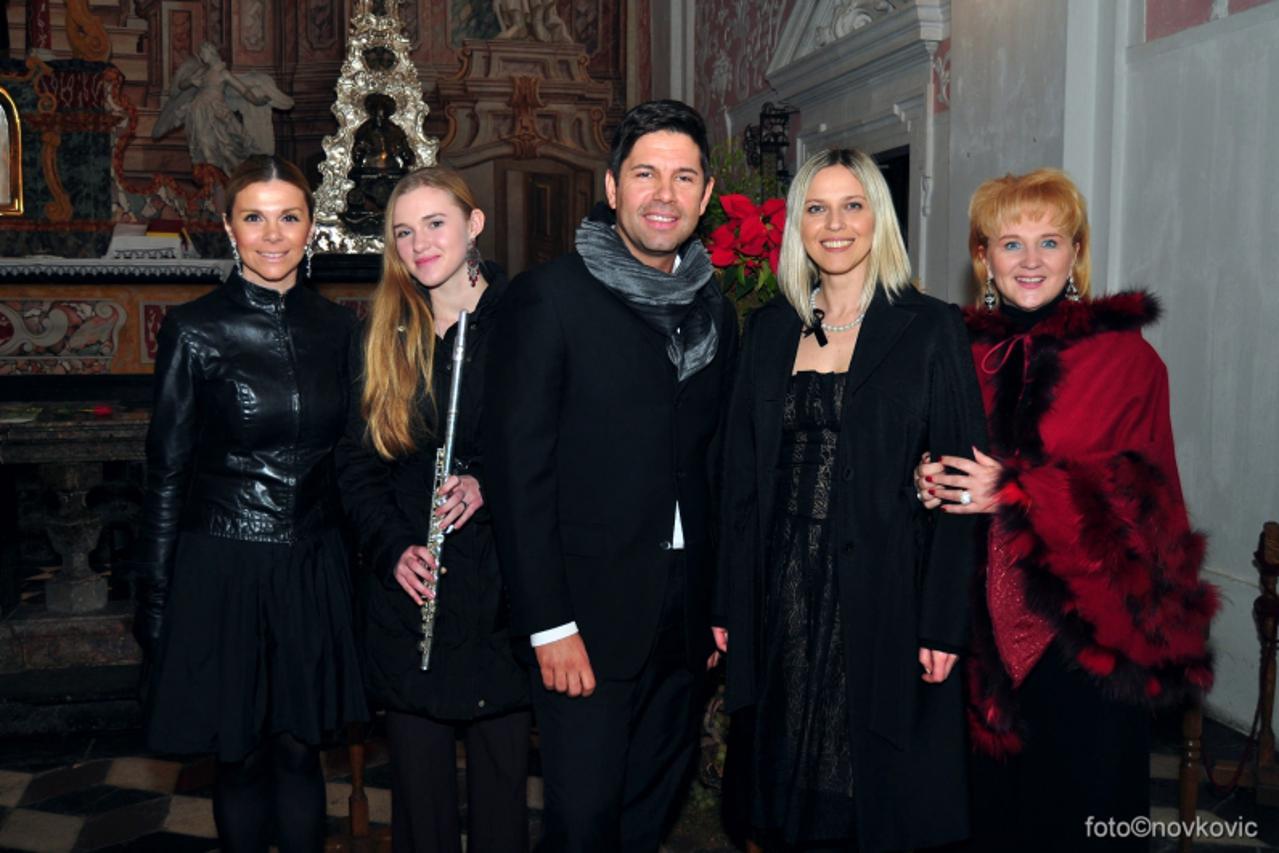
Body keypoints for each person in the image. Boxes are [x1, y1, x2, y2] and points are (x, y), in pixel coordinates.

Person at [913, 168, 1217, 852]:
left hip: (1087, 632)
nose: (1030, 261)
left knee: (1082, 817)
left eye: (1049, 242)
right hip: (977, 633)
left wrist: (1017, 489)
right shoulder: (956, 353)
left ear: (1075, 254)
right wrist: (926, 480)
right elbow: (929, 458)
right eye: (1010, 243)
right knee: (988, 817)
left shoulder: (1127, 361)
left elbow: (1148, 501)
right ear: (983, 257)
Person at [484, 99, 739, 851]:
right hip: (585, 620)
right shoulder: (548, 298)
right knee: (584, 824)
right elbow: (518, 475)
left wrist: (717, 602)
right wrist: (549, 625)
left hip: (684, 619)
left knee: (648, 814)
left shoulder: (715, 310)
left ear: (705, 194)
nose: (664, 194)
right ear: (612, 185)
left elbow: (716, 464)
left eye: (683, 177)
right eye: (645, 174)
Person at [714, 148, 987, 852]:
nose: (834, 224)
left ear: (878, 218)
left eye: (851, 206)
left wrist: (944, 623)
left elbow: (960, 485)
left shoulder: (929, 327)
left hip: (884, 589)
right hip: (779, 586)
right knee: (779, 777)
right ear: (798, 225)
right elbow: (739, 480)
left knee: (870, 789)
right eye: (816, 208)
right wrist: (727, 602)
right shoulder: (769, 329)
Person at [132, 154, 367, 852]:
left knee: (299, 752)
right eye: (254, 217)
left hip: (311, 566)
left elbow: (353, 460)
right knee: (238, 756)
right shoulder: (194, 329)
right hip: (223, 567)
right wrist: (155, 598)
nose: (272, 235)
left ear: (311, 227)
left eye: (288, 217)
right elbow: (167, 471)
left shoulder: (340, 328)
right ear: (229, 227)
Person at [335, 167, 530, 853]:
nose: (419, 244)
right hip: (411, 598)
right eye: (403, 232)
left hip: (501, 596)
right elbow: (356, 465)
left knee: (503, 802)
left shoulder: (525, 321)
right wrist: (393, 548)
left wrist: (489, 484)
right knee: (420, 813)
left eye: (435, 223)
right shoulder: (383, 332)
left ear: (474, 224)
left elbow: (560, 448)